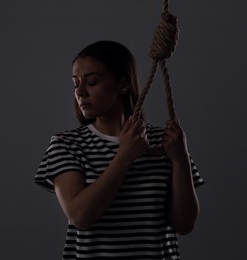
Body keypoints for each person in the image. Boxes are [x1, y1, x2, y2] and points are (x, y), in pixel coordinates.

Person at [34, 40, 204, 259]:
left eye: (92, 82)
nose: (80, 92)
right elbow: (80, 217)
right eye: (76, 83)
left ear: (123, 84)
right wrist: (125, 156)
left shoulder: (165, 143)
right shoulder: (66, 145)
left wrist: (180, 160)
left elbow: (184, 225)